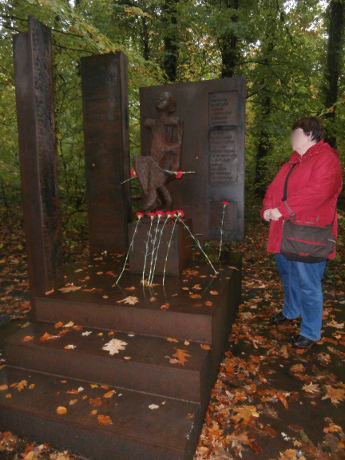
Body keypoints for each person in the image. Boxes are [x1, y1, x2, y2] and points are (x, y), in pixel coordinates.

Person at [260, 117, 343, 348]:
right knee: (288, 276)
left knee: (309, 283)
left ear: (309, 134)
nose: (292, 138)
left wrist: (282, 210)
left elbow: (319, 192)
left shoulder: (327, 160)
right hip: (283, 234)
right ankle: (291, 311)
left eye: (295, 133)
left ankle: (310, 331)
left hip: (308, 236)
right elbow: (272, 189)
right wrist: (267, 209)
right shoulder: (291, 164)